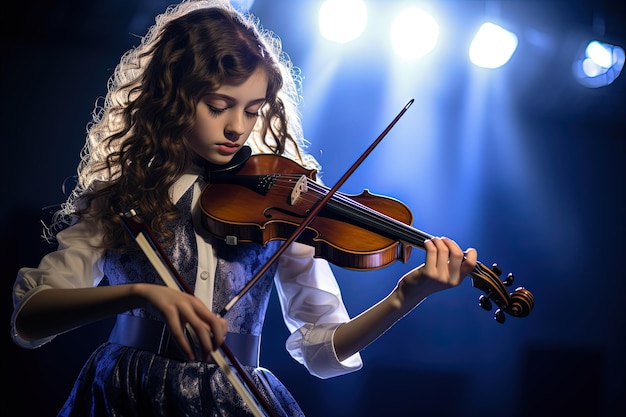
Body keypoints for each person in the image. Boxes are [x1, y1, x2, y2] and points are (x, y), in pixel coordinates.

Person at [10, 1, 478, 416]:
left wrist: (403, 298)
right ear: (172, 98)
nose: (237, 127)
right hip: (124, 394)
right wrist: (139, 294)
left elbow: (321, 350)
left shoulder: (282, 206)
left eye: (253, 110)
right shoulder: (121, 196)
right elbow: (31, 316)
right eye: (219, 106)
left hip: (230, 401)